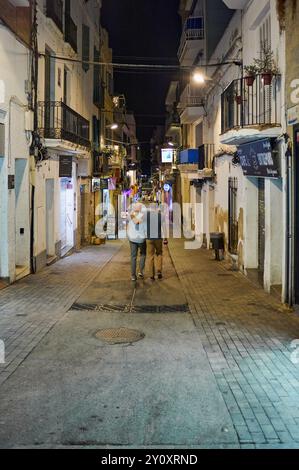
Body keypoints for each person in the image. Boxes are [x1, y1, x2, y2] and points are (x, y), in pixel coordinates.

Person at [127, 202, 147, 282]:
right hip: (141, 239)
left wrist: (128, 235)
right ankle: (140, 271)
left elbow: (128, 225)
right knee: (143, 254)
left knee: (133, 257)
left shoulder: (130, 215)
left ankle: (133, 276)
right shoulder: (144, 216)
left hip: (132, 239)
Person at [147, 206, 165, 281]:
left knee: (150, 256)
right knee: (159, 253)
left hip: (149, 238)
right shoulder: (161, 216)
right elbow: (164, 227)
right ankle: (159, 271)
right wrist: (166, 238)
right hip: (158, 238)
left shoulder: (147, 215)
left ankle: (151, 275)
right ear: (156, 208)